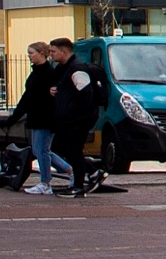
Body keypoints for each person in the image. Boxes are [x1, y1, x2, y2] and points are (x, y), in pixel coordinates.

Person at [7, 42, 68, 195]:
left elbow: (32, 97)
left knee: (42, 150)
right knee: (40, 149)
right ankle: (68, 169)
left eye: (31, 53)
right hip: (38, 116)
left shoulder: (47, 73)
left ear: (41, 53)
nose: (29, 56)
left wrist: (14, 117)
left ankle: (46, 182)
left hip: (44, 117)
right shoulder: (40, 72)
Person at [47, 39, 105, 197]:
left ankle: (78, 186)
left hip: (79, 119)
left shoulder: (77, 69)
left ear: (64, 52)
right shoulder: (64, 69)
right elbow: (69, 89)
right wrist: (56, 90)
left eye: (53, 52)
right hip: (70, 118)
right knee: (61, 148)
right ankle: (93, 173)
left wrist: (70, 111)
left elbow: (85, 94)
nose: (50, 54)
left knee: (73, 150)